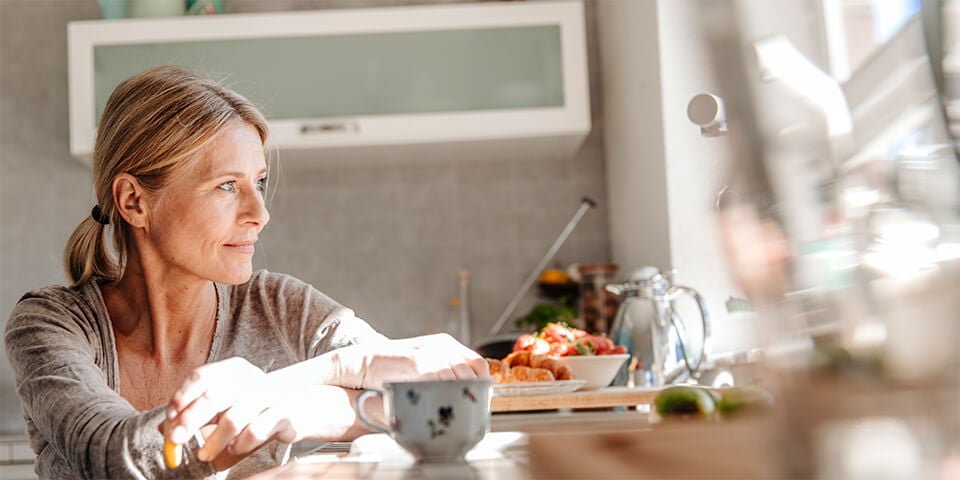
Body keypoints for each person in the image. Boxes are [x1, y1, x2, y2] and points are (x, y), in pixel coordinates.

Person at [3, 65, 488, 479]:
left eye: (258, 181)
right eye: (226, 186)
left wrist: (292, 402)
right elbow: (119, 455)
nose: (260, 212)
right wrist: (339, 372)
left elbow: (434, 398)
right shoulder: (48, 325)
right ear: (135, 201)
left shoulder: (280, 306)